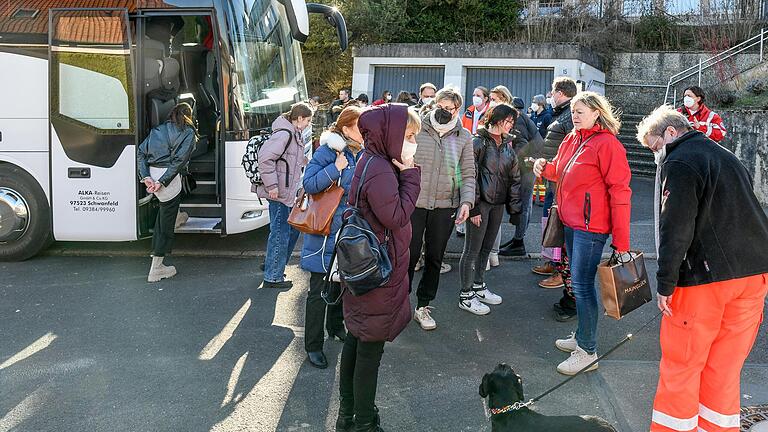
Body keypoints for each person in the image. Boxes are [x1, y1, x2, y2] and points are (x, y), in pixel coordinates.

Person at [635, 105, 768, 432]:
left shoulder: (679, 161)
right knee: (724, 367)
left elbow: (675, 227)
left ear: (669, 133)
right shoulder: (727, 156)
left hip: (705, 279)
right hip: (753, 274)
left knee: (682, 365)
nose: (656, 155)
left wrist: (665, 284)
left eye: (654, 147)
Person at [334, 104, 422, 432]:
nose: (412, 142)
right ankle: (364, 423)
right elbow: (397, 216)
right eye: (409, 136)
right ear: (392, 135)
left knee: (357, 341)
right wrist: (411, 174)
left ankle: (348, 415)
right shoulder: (382, 169)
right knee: (368, 351)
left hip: (365, 267)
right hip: (378, 274)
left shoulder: (372, 160)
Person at [532, 91, 631, 375]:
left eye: (580, 111)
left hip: (591, 228)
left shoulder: (607, 144)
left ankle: (587, 350)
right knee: (579, 284)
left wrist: (621, 243)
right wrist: (544, 168)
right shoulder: (572, 138)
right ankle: (582, 336)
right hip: (572, 223)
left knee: (583, 286)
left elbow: (620, 193)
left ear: (597, 113)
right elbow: (561, 173)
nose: (574, 115)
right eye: (573, 111)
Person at [300, 106, 364, 369]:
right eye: (360, 126)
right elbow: (309, 184)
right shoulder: (329, 150)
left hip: (348, 229)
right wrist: (335, 169)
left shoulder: (362, 153)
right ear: (346, 127)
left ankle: (335, 326)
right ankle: (313, 345)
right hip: (325, 230)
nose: (365, 131)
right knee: (318, 288)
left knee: (341, 282)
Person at [408, 87, 475, 331]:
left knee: (435, 258)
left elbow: (468, 173)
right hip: (414, 202)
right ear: (433, 104)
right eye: (441, 106)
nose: (445, 112)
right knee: (408, 255)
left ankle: (423, 306)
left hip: (445, 204)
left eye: (450, 108)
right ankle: (398, 304)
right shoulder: (416, 128)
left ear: (458, 109)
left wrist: (467, 202)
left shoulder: (464, 136)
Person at [458, 103, 522, 316]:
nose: (511, 125)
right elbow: (469, 176)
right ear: (496, 118)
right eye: (508, 120)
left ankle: (478, 286)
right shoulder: (478, 142)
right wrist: (473, 207)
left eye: (513, 122)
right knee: (471, 250)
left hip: (497, 206)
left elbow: (514, 179)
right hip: (480, 204)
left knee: (486, 248)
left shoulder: (507, 146)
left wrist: (515, 210)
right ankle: (466, 295)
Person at [255, 102, 313, 289]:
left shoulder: (291, 132)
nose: (309, 124)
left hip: (286, 192)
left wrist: (305, 160)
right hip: (279, 192)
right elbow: (265, 158)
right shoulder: (284, 133)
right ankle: (273, 276)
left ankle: (273, 265)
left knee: (288, 231)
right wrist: (271, 185)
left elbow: (288, 159)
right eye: (308, 120)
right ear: (299, 118)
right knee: (281, 233)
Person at [138, 103, 197, 283]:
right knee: (164, 222)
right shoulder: (188, 132)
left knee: (167, 209)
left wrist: (146, 177)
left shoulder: (158, 129)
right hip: (167, 179)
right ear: (188, 116)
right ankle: (157, 268)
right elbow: (179, 161)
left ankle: (179, 218)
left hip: (153, 173)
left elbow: (141, 152)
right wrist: (161, 182)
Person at [535, 78, 578, 324]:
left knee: (560, 235)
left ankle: (563, 279)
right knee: (551, 228)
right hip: (555, 181)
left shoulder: (567, 119)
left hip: (562, 186)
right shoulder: (561, 116)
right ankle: (555, 266)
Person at [497, 97, 544, 258]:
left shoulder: (516, 119)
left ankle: (518, 242)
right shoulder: (519, 117)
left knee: (523, 203)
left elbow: (521, 144)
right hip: (530, 162)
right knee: (526, 203)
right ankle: (517, 239)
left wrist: (512, 167)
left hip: (526, 165)